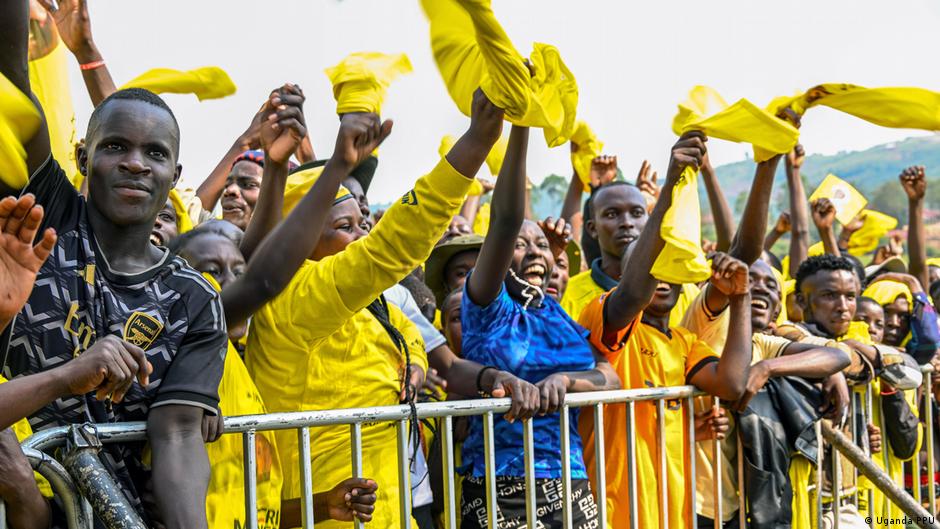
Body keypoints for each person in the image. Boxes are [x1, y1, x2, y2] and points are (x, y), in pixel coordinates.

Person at [243, 90, 541, 528]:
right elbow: (394, 244)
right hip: (325, 515)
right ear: (300, 238)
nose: (362, 237)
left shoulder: (371, 305)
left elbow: (410, 338)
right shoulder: (295, 298)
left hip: (388, 509)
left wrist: (422, 369)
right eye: (345, 228)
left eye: (363, 224)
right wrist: (477, 141)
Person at [1, 4, 239, 524]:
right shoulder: (43, 222)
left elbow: (177, 434)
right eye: (115, 146)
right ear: (83, 158)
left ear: (175, 174)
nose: (135, 162)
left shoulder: (195, 298)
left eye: (154, 153)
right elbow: (15, 91)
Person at [578, 132, 754, 528]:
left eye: (671, 269)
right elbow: (633, 292)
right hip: (615, 509)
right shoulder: (604, 315)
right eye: (652, 268)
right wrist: (672, 183)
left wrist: (741, 298)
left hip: (673, 510)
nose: (661, 277)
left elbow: (731, 385)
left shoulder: (684, 342)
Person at [459, 124, 618, 528]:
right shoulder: (486, 306)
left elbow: (609, 377)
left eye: (543, 245)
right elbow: (507, 219)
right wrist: (522, 122)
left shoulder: (555, 311)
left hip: (570, 481)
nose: (534, 252)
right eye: (519, 244)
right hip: (500, 486)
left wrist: (564, 381)